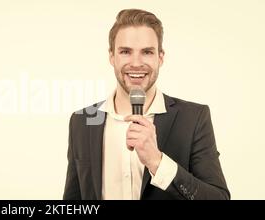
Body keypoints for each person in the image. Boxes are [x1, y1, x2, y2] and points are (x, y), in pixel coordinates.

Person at [63, 9, 230, 200]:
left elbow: (218, 198)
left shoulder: (193, 118)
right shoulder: (83, 120)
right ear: (112, 56)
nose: (136, 63)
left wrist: (157, 162)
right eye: (125, 52)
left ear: (160, 57)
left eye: (147, 52)